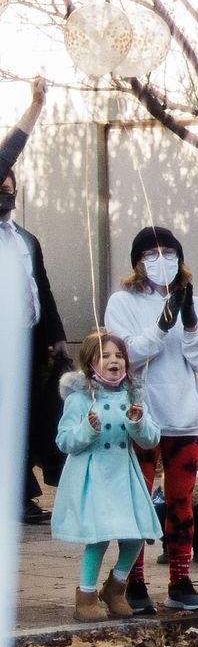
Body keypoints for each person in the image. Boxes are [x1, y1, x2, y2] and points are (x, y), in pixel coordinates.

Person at [100, 223, 198, 615]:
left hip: (184, 418)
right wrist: (160, 325)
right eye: (151, 254)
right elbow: (124, 354)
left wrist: (186, 323)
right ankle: (131, 582)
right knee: (137, 500)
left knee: (181, 501)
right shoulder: (123, 303)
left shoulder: (197, 305)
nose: (161, 261)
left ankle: (180, 581)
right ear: (137, 262)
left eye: (169, 253)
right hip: (141, 417)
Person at [53, 329, 161, 618]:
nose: (114, 360)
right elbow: (64, 441)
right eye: (105, 355)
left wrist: (138, 423)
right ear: (90, 363)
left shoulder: (133, 395)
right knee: (98, 537)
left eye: (119, 355)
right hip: (94, 477)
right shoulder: (79, 398)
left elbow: (151, 439)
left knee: (137, 533)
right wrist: (87, 429)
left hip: (124, 475)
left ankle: (115, 587)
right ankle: (86, 597)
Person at [3, 77, 68, 521]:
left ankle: (21, 493)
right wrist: (34, 109)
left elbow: (40, 290)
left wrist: (59, 338)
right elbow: (7, 151)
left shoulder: (25, 239)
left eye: (11, 184)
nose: (7, 188)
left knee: (28, 416)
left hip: (25, 340)